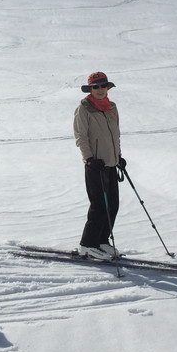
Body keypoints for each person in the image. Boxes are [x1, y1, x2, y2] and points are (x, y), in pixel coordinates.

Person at [73, 71, 126, 260]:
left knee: (113, 205)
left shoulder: (112, 107)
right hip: (95, 165)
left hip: (111, 164)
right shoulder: (84, 108)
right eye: (96, 87)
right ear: (90, 89)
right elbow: (81, 136)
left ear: (107, 87)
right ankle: (87, 245)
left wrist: (118, 157)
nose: (100, 90)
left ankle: (102, 241)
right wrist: (89, 158)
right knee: (99, 206)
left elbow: (115, 134)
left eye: (103, 86)